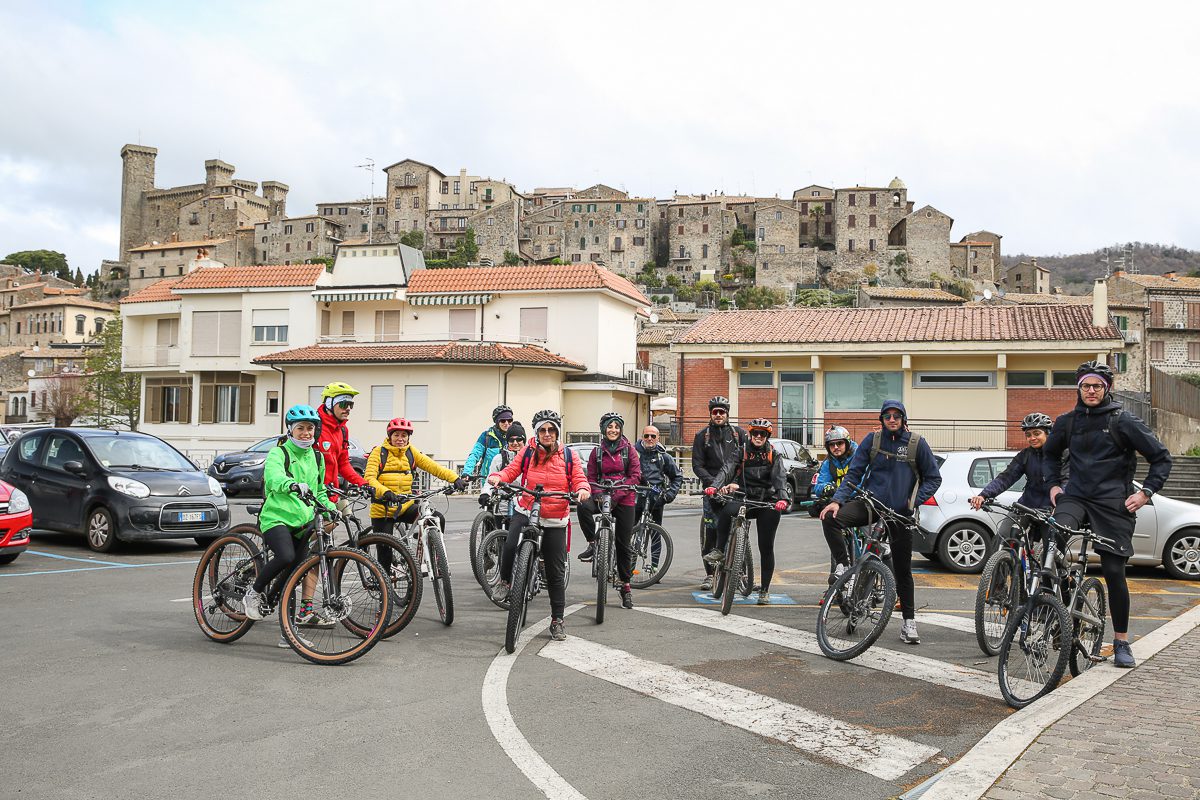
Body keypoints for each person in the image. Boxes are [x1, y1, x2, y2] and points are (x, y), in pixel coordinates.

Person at [1042, 360, 1172, 669]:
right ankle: (1060, 613)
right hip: (1075, 497)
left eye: (1097, 386)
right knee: (1051, 544)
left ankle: (1122, 641)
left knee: (1114, 571)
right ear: (1078, 388)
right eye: (1086, 385)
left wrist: (1145, 493)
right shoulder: (1067, 421)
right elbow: (1049, 454)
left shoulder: (1122, 421)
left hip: (1113, 502)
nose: (1091, 390)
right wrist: (1053, 486)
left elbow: (1161, 458)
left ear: (1107, 389)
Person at [820, 400, 941, 645]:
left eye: (897, 416)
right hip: (870, 504)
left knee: (903, 571)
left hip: (899, 513)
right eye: (887, 416)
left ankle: (909, 623)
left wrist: (912, 501)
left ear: (903, 418)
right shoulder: (872, 441)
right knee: (831, 518)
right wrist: (837, 501)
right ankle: (843, 566)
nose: (892, 419)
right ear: (882, 419)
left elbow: (933, 478)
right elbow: (854, 473)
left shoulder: (917, 444)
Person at [243, 405, 340, 648]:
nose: (306, 433)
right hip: (276, 518)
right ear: (290, 430)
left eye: (310, 428)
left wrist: (330, 507)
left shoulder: (317, 457)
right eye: (301, 429)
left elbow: (319, 490)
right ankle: (254, 592)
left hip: (303, 521)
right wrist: (292, 484)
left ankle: (289, 632)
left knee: (295, 573)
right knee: (286, 556)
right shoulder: (280, 453)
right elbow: (274, 478)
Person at [488, 410, 590, 642]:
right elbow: (511, 470)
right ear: (537, 432)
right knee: (511, 544)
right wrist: (498, 477)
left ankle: (557, 620)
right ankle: (505, 581)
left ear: (556, 432)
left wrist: (582, 489)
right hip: (527, 507)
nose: (547, 434)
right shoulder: (527, 452)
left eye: (551, 430)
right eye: (543, 430)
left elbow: (578, 478)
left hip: (555, 515)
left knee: (555, 572)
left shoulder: (568, 455)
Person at [702, 418, 790, 605]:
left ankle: (764, 591)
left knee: (766, 547)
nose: (758, 436)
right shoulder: (740, 451)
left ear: (767, 436)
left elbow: (780, 478)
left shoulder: (774, 455)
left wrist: (783, 498)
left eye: (763, 434)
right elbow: (727, 470)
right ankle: (719, 549)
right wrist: (715, 486)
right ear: (750, 434)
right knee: (727, 512)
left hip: (768, 501)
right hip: (745, 497)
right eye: (755, 433)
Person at [576, 412, 642, 609]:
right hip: (601, 495)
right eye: (609, 426)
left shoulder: (629, 451)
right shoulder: (596, 453)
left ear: (621, 430)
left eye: (616, 427)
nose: (613, 430)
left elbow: (636, 476)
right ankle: (593, 542)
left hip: (624, 497)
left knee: (623, 543)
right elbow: (591, 477)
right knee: (582, 506)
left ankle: (626, 586)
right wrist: (596, 494)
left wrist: (617, 495)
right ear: (603, 429)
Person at [365, 417, 468, 542]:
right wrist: (385, 491)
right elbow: (369, 478)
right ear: (390, 436)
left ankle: (432, 553)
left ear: (408, 437)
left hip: (405, 505)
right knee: (384, 553)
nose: (400, 439)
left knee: (437, 519)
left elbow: (433, 467)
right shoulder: (378, 452)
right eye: (396, 435)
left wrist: (455, 478)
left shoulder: (411, 452)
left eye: (404, 435)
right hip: (383, 509)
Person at [968, 412, 1056, 545]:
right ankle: (1006, 564)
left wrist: (1060, 505)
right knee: (1003, 537)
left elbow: (1067, 483)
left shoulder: (1060, 455)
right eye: (1028, 435)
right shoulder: (1025, 455)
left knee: (1050, 549)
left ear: (1047, 433)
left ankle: (1053, 565)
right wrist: (983, 495)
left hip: (1051, 509)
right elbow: (1006, 478)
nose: (1032, 438)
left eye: (1037, 433)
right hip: (1026, 506)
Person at [691, 396, 747, 590]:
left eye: (721, 412)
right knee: (712, 532)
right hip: (712, 489)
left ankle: (741, 572)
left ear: (727, 414)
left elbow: (744, 463)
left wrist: (735, 484)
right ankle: (709, 574)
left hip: (734, 488)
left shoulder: (739, 434)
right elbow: (697, 465)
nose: (718, 415)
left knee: (740, 531)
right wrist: (712, 484)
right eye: (715, 412)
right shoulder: (702, 436)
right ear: (710, 414)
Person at [813, 425, 858, 583]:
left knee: (871, 540)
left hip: (858, 502)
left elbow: (864, 479)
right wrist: (827, 487)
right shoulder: (828, 463)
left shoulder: (857, 457)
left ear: (847, 442)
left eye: (839, 443)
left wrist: (842, 492)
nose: (836, 447)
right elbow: (818, 486)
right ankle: (841, 566)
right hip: (839, 504)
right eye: (832, 444)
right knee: (829, 519)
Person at [315, 381, 369, 496]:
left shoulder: (343, 430)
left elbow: (343, 464)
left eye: (351, 405)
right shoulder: (314, 427)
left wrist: (363, 483)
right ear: (329, 403)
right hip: (313, 496)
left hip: (332, 493)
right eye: (344, 404)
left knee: (348, 514)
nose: (348, 409)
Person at [635, 424, 683, 525]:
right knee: (628, 533)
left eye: (653, 436)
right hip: (635, 498)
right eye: (646, 436)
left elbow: (677, 477)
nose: (649, 439)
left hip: (656, 499)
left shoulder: (664, 456)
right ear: (642, 437)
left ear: (658, 438)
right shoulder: (633, 454)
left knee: (656, 535)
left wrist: (669, 495)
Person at [479, 422, 526, 507]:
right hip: (502, 503)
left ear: (524, 441)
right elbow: (490, 480)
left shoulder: (530, 458)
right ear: (507, 441)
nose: (515, 443)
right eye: (511, 440)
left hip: (524, 503)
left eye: (519, 439)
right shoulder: (499, 458)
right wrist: (485, 493)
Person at [464, 405, 515, 481]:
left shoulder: (515, 437)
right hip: (488, 482)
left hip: (509, 482)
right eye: (503, 420)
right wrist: (466, 473)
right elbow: (475, 455)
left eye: (510, 420)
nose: (507, 423)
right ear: (497, 422)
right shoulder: (486, 436)